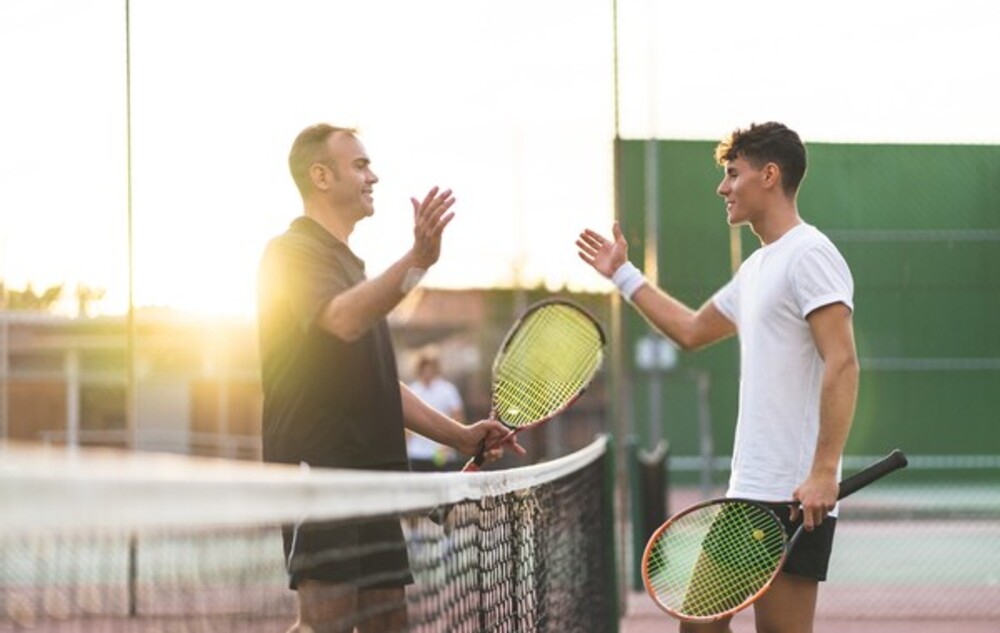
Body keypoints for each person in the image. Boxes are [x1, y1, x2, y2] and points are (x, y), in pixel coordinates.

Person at [577, 122, 859, 633]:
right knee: (699, 626)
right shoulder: (756, 270)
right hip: (747, 491)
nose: (722, 188)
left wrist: (823, 471)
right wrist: (623, 274)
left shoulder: (810, 254)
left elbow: (842, 362)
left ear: (769, 176)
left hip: (790, 497)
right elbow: (689, 329)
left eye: (733, 174)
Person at [258, 123, 521, 633]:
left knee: (390, 625)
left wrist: (461, 436)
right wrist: (418, 261)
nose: (372, 175)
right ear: (321, 176)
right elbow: (341, 319)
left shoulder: (352, 267)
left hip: (376, 478)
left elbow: (379, 385)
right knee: (323, 626)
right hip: (324, 472)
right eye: (359, 165)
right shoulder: (290, 253)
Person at [406, 347, 466, 471]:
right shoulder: (412, 390)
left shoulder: (448, 390)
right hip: (416, 454)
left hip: (443, 457)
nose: (427, 371)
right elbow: (406, 425)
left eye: (430, 368)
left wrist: (447, 447)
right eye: (424, 368)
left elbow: (458, 418)